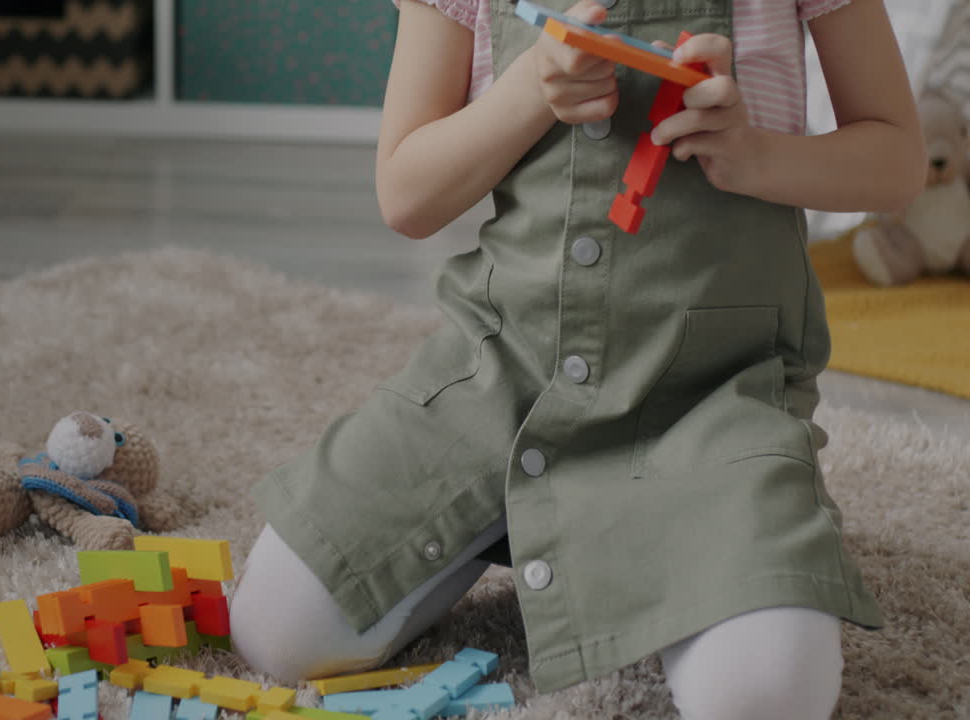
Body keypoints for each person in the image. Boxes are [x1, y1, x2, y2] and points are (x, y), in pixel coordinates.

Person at [231, 0, 924, 717]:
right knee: (275, 633)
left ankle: (669, 545)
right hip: (504, 372)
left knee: (764, 696)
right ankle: (526, 522)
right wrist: (531, 87)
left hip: (714, 399)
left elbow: (900, 164)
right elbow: (407, 194)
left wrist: (757, 154)